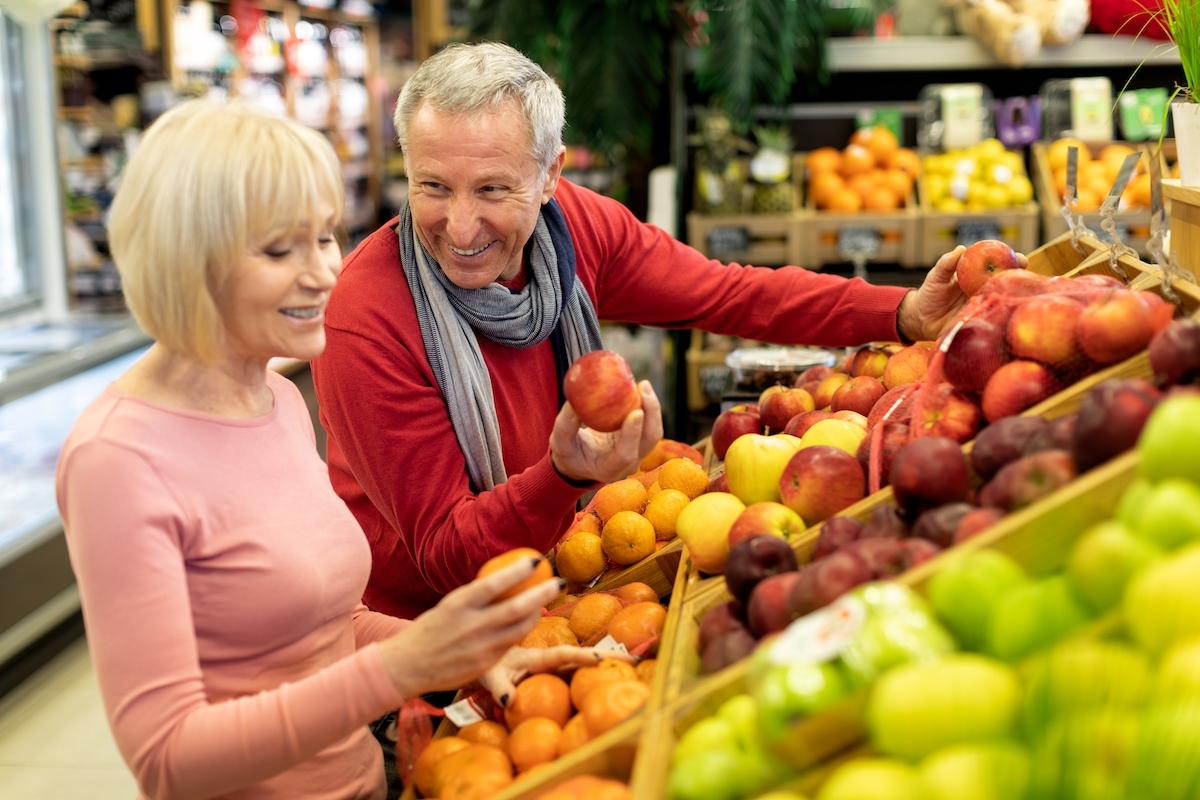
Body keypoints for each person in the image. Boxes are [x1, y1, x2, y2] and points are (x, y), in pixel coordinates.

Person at [311, 42, 1009, 621]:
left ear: (552, 175)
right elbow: (442, 552)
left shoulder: (574, 232)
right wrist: (562, 478)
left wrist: (900, 313)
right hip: (426, 633)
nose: (459, 227)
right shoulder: (367, 318)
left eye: (492, 190)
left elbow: (728, 292)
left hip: (571, 570)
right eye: (433, 187)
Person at [55, 100, 607, 800]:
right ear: (187, 260)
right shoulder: (118, 460)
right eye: (280, 250)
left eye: (323, 237)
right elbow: (167, 757)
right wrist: (401, 667)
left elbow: (324, 625)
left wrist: (465, 654)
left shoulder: (278, 399)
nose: (325, 271)